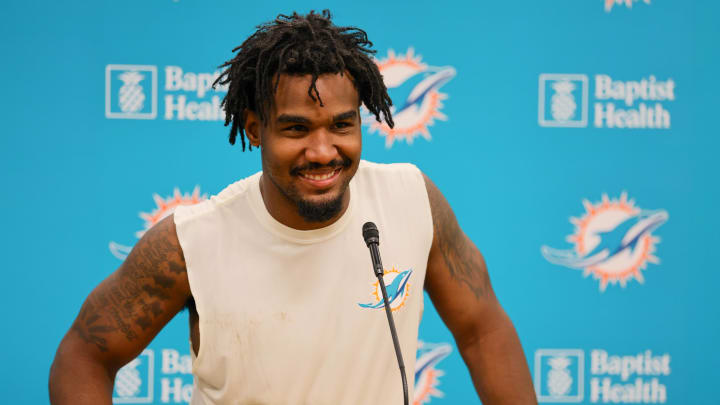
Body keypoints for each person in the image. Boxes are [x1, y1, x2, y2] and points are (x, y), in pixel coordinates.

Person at [49, 10, 537, 405]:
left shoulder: (412, 199)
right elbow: (85, 355)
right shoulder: (191, 242)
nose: (323, 151)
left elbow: (482, 329)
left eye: (342, 126)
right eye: (297, 129)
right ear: (257, 129)